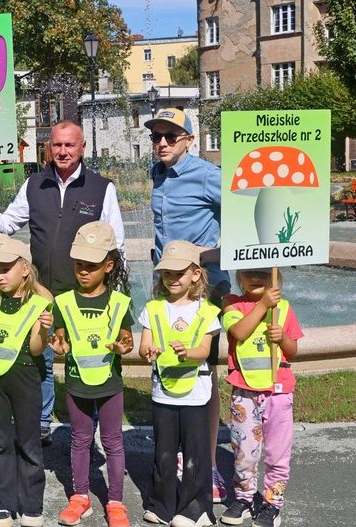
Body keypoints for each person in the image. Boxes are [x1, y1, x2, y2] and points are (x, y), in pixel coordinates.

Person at [0, 120, 125, 444]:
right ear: (49, 147)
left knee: (86, 362)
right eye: (57, 145)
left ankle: (89, 426)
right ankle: (41, 424)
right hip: (40, 292)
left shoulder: (101, 187)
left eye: (69, 145)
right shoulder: (35, 184)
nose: (62, 151)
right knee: (43, 361)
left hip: (85, 293)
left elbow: (116, 243)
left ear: (82, 147)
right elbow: (8, 224)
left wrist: (113, 293)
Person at [145, 108, 230, 501]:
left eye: (170, 136)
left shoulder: (208, 176)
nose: (161, 143)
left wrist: (204, 257)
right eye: (156, 136)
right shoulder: (157, 174)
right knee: (168, 363)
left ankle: (207, 462)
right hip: (167, 288)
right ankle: (178, 455)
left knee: (203, 374)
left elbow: (243, 226)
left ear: (189, 139)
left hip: (202, 287)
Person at [51, 222, 134, 527]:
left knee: (112, 441)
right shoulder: (62, 302)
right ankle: (80, 496)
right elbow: (60, 338)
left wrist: (123, 344)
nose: (83, 271)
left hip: (110, 384)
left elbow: (128, 339)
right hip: (76, 384)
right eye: (79, 265)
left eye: (92, 266)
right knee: (80, 439)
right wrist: (58, 343)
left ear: (108, 266)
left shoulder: (120, 302)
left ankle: (115, 501)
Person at [138, 240, 221, 527]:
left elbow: (206, 351)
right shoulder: (153, 308)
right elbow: (144, 345)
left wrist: (188, 352)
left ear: (195, 274)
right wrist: (148, 351)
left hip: (196, 394)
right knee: (164, 450)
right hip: (164, 393)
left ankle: (196, 510)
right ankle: (162, 504)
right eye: (167, 274)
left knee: (195, 454)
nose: (172, 279)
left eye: (179, 273)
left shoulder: (207, 311)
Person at [0, 239, 53, 527]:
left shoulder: (39, 303)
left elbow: (35, 348)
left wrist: (43, 331)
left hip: (26, 377)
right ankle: (3, 505)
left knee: (30, 443)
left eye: (7, 269)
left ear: (24, 268)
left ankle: (32, 506)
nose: (0, 275)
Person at [219, 269, 302, 527]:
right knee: (245, 452)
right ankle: (244, 498)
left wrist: (283, 338)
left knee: (277, 453)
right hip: (245, 393)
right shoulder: (232, 303)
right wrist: (264, 304)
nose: (257, 277)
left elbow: (293, 350)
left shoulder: (285, 308)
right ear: (239, 278)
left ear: (276, 277)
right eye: (250, 272)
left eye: (264, 273)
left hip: (278, 393)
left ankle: (272, 504)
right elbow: (239, 332)